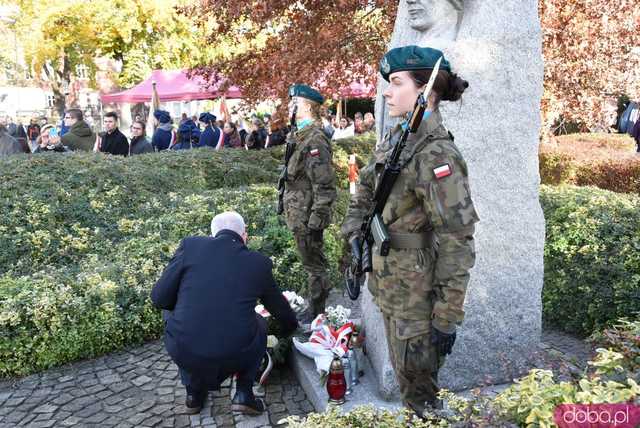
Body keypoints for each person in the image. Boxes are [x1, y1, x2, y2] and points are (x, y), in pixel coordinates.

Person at [341, 46, 478, 417]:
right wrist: (355, 235)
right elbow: (366, 192)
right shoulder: (397, 139)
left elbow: (457, 240)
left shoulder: (438, 156)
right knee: (406, 385)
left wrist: (447, 315)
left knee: (421, 398)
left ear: (425, 91)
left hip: (418, 298)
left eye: (396, 83)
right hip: (391, 286)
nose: (387, 92)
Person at [151, 212, 298, 414]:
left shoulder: (190, 247)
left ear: (213, 234)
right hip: (235, 351)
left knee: (174, 316)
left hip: (184, 349)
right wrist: (292, 327)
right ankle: (244, 393)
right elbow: (279, 309)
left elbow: (159, 299)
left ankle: (193, 394)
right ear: (244, 234)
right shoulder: (258, 262)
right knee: (259, 322)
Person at [282, 84, 337, 321]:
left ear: (305, 105)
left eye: (294, 102)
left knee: (315, 265)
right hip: (298, 211)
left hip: (307, 214)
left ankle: (317, 312)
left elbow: (324, 184)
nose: (289, 106)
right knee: (310, 263)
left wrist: (317, 219)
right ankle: (314, 309)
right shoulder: (300, 134)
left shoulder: (314, 139)